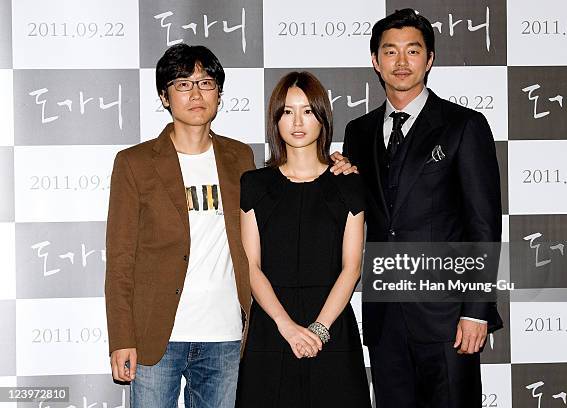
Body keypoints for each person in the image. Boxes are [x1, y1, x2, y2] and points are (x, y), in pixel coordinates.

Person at [105, 44, 355, 408]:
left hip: (226, 337)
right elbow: (120, 259)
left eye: (205, 83)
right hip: (156, 335)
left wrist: (337, 163)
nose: (195, 93)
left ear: (219, 95)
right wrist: (121, 337)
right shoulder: (134, 163)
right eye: (182, 84)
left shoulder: (240, 158)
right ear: (164, 96)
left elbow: (292, 178)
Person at [342, 8, 503, 408]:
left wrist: (477, 311)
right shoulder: (357, 133)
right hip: (385, 319)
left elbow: (483, 224)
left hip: (449, 318)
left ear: (429, 59)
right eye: (390, 51)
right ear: (375, 61)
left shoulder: (464, 125)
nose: (401, 62)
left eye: (412, 51)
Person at [236, 71, 371, 408]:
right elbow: (251, 266)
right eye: (287, 111)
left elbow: (351, 268)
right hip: (271, 328)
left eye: (308, 111)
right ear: (275, 120)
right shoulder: (254, 184)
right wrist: (287, 327)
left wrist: (319, 329)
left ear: (322, 118)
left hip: (332, 329)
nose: (297, 121)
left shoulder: (349, 184)